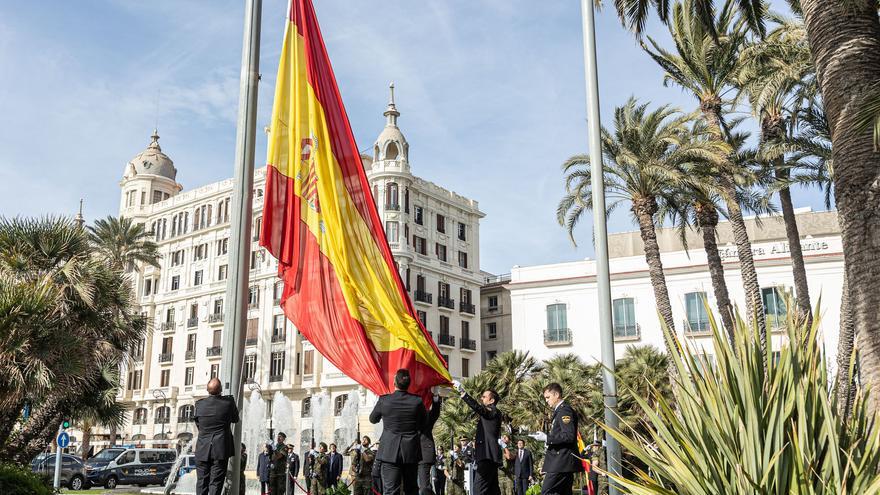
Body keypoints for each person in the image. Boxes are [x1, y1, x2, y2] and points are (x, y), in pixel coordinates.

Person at [369, 369, 427, 495]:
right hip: (410, 451)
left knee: (390, 491)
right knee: (411, 489)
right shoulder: (417, 401)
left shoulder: (384, 400)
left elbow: (373, 419)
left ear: (394, 383)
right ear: (409, 384)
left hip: (389, 451)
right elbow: (424, 424)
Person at [529, 383, 583, 495]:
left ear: (557, 394)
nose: (546, 401)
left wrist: (547, 438)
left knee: (547, 492)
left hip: (561, 461)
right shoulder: (559, 411)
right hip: (562, 461)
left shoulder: (564, 411)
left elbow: (569, 436)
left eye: (548, 397)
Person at [452, 381, 502, 495]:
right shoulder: (491, 412)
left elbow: (480, 409)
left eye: (484, 397)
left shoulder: (493, 410)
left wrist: (463, 393)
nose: (481, 398)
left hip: (487, 456)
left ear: (492, 401)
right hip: (488, 456)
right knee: (493, 490)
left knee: (478, 489)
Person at [194, 377, 240, 495]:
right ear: (221, 389)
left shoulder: (199, 404)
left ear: (207, 390)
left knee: (201, 482)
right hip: (220, 450)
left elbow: (198, 424)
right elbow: (235, 419)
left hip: (202, 449)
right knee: (216, 483)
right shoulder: (228, 403)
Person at [419, 393, 443, 493]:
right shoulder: (407, 414)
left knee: (424, 487)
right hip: (408, 454)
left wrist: (436, 398)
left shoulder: (427, 416)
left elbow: (435, 413)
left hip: (423, 455)